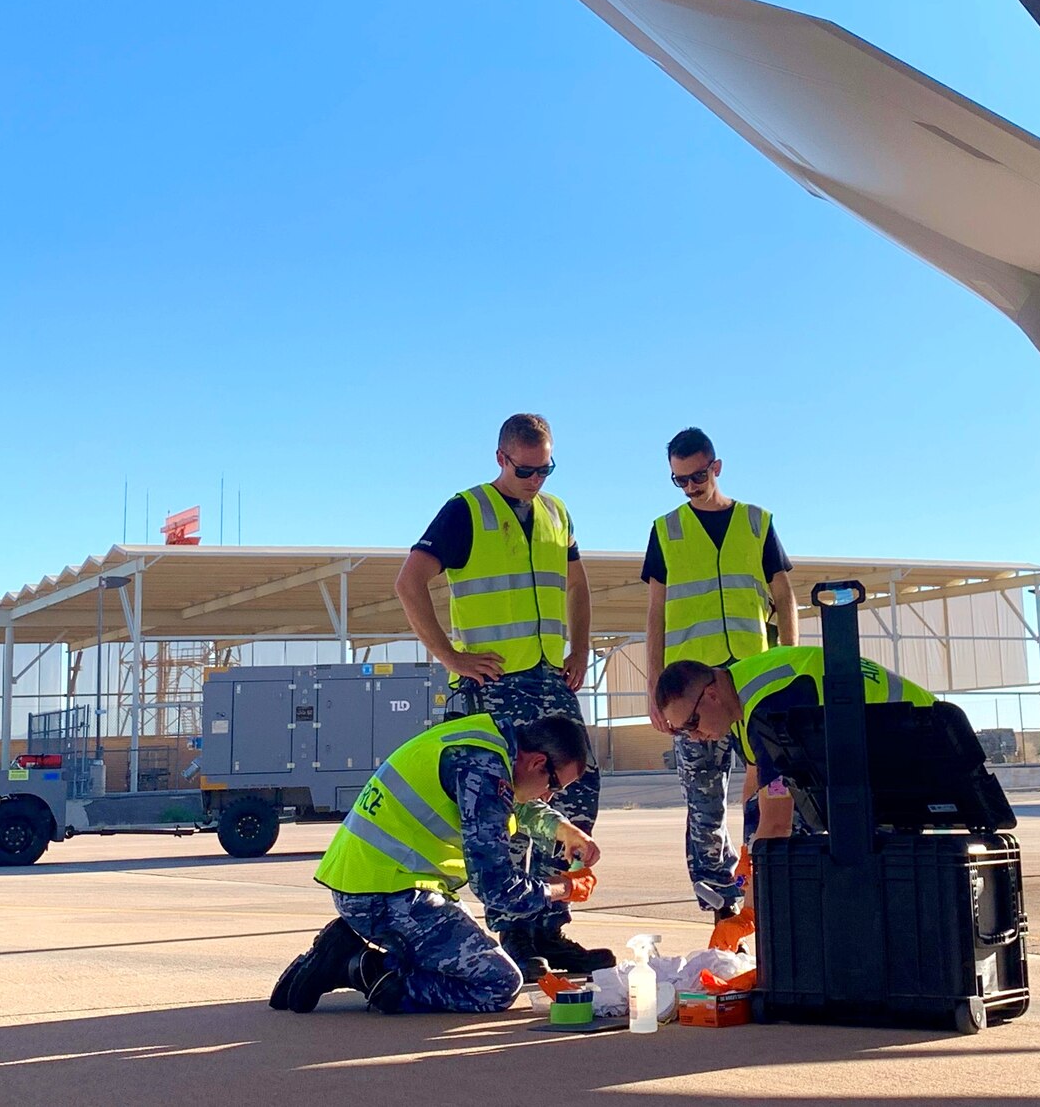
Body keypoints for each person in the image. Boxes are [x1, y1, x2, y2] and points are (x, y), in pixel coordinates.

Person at [392, 412, 607, 975]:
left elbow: (578, 585)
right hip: (496, 684)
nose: (537, 480)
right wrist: (451, 657)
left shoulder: (557, 513)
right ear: (501, 459)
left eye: (547, 469)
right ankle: (514, 932)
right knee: (507, 802)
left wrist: (579, 648)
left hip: (548, 677)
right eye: (527, 469)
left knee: (575, 790)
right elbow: (408, 581)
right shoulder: (467, 509)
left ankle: (548, 926)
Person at [269, 712, 600, 1015]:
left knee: (461, 953)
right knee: (498, 985)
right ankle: (361, 967)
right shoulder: (483, 770)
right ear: (537, 762)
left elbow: (514, 799)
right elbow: (497, 889)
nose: (549, 796)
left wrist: (564, 831)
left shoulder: (489, 742)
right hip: (385, 895)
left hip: (378, 882)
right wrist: (564, 889)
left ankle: (353, 952)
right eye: (554, 785)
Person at [652, 644, 936, 940]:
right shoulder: (738, 698)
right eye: (682, 732)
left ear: (711, 695)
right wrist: (750, 853)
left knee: (870, 868)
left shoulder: (769, 705)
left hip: (923, 735)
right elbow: (758, 783)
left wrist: (749, 910)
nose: (694, 738)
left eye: (692, 724)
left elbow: (778, 822)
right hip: (884, 746)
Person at [641, 427, 796, 927]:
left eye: (698, 475)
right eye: (679, 480)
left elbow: (784, 596)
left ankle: (764, 895)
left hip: (752, 688)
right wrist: (654, 691)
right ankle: (718, 905)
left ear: (717, 466)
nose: (690, 486)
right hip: (692, 698)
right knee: (704, 806)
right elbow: (656, 614)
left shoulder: (756, 522)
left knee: (766, 791)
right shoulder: (666, 530)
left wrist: (787, 665)